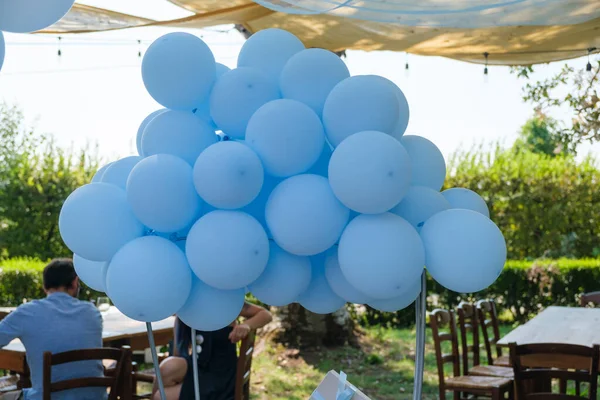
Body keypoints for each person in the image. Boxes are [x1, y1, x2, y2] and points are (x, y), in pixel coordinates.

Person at [0, 259, 105, 400]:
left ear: (44, 286)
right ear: (75, 282)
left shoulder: (27, 313)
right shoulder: (92, 312)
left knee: (6, 396)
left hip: (47, 397)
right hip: (95, 397)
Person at [154, 302, 272, 400]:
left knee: (160, 396)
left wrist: (247, 325)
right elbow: (178, 352)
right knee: (167, 366)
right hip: (197, 367)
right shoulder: (187, 301)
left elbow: (265, 314)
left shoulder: (227, 301)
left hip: (220, 376)